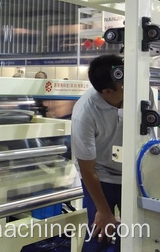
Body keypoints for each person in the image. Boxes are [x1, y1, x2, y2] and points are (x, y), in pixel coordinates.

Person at [71, 54, 124, 251]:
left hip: (133, 174)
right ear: (107, 91)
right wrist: (103, 210)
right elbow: (87, 169)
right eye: (124, 85)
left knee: (135, 233)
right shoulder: (85, 113)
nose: (131, 86)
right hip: (100, 175)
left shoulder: (142, 93)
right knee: (100, 231)